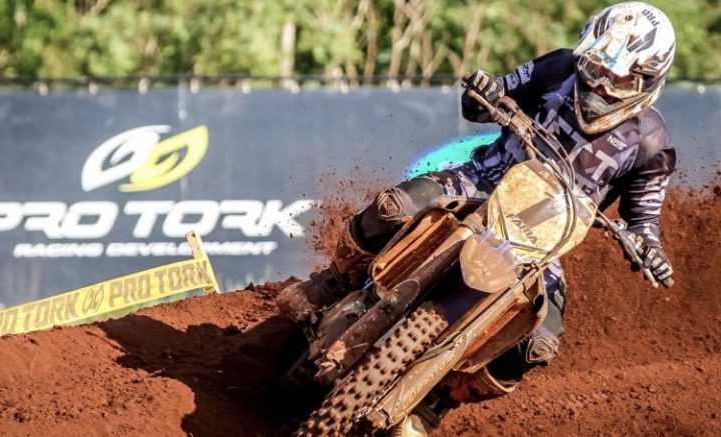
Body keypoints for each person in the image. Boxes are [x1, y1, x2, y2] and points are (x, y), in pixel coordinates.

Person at [278, 1, 676, 434]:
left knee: (539, 343)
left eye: (619, 77)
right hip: (481, 180)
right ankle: (332, 281)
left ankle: (437, 400)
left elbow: (643, 218)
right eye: (597, 67)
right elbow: (485, 100)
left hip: (542, 238)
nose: (602, 82)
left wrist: (649, 247)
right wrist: (486, 89)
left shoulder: (652, 142)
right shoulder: (560, 67)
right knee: (395, 207)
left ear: (649, 79)